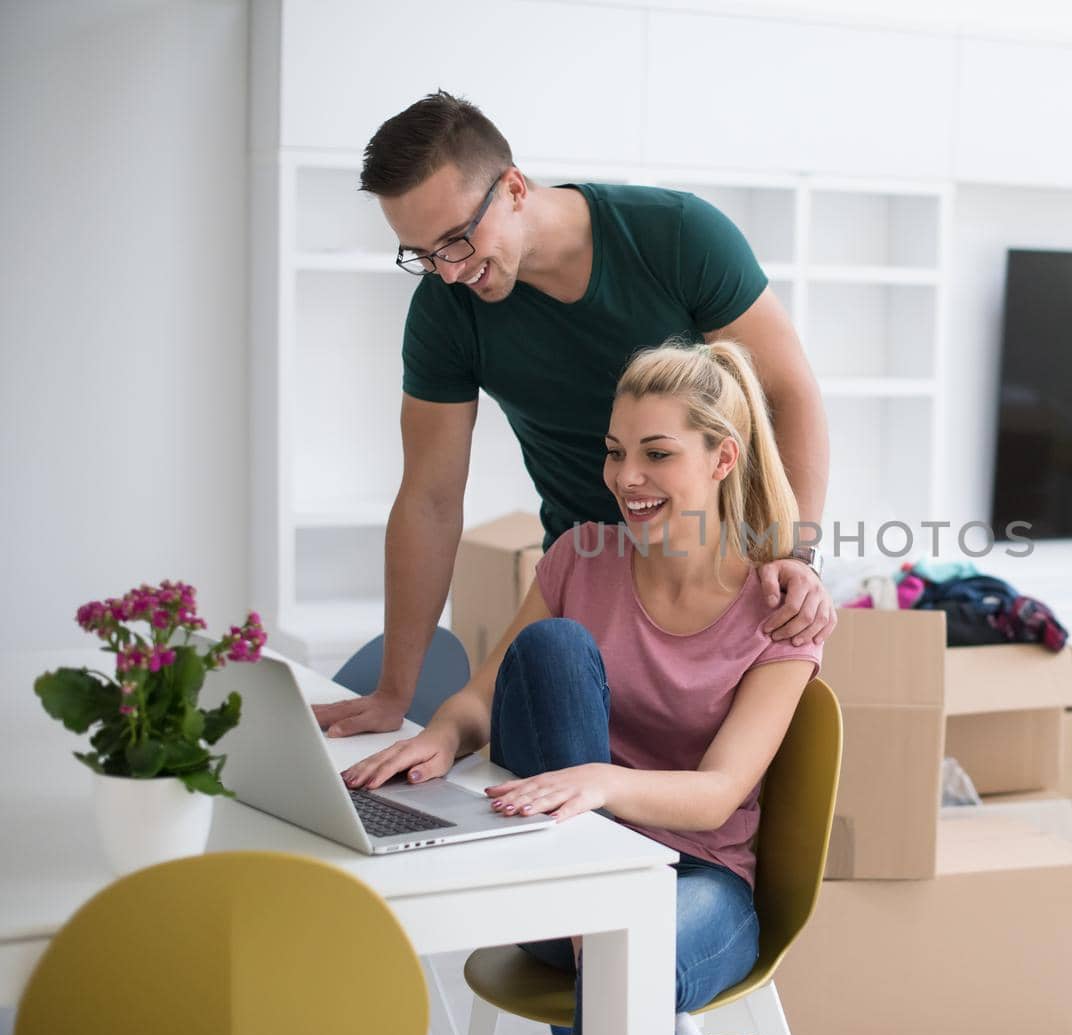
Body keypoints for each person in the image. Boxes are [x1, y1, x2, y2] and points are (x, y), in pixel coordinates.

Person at [340, 338, 821, 1035]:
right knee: (553, 648)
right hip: (559, 873)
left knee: (624, 960)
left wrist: (601, 784)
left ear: (723, 459)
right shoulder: (580, 556)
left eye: (657, 454)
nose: (627, 477)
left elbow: (719, 795)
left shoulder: (778, 610)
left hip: (700, 885)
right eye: (615, 451)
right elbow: (488, 692)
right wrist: (443, 733)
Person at [313, 89, 835, 748]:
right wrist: (395, 692)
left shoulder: (675, 237)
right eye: (420, 253)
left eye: (455, 240)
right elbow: (430, 498)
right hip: (588, 584)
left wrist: (793, 554)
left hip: (719, 581)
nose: (446, 272)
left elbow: (790, 394)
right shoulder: (447, 312)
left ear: (513, 188)